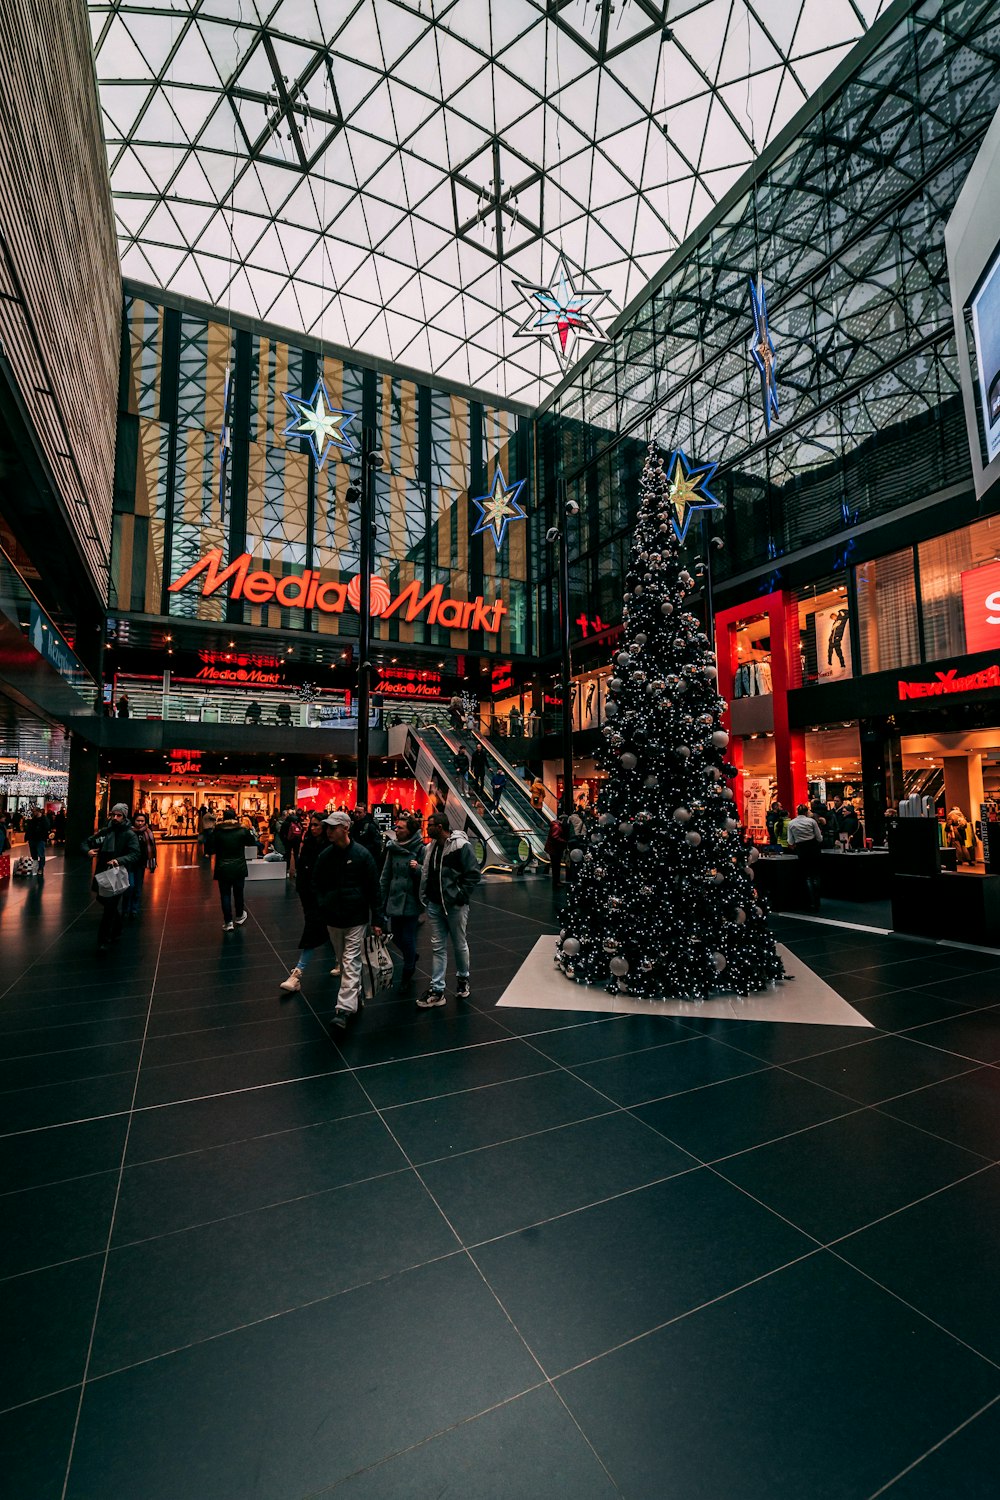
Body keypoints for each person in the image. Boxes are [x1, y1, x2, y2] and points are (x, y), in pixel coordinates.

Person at [312, 811, 385, 1030]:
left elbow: (374, 887)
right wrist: (323, 904)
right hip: (334, 917)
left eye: (333, 828)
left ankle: (343, 1009)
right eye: (328, 828)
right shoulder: (326, 855)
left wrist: (377, 918)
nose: (328, 831)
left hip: (356, 917)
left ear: (345, 828)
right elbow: (316, 883)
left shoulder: (362, 855)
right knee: (343, 961)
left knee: (350, 961)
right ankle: (355, 996)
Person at [417, 810, 481, 1007]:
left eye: (430, 824)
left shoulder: (460, 846)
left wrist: (460, 896)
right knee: (438, 946)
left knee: (459, 943)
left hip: (454, 905)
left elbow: (473, 873)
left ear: (440, 827)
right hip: (435, 904)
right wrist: (426, 896)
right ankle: (437, 988)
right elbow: (429, 872)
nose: (427, 827)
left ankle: (463, 979)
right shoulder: (431, 848)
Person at [279, 811, 330, 994]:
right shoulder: (309, 843)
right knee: (316, 930)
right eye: (312, 824)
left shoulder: (330, 846)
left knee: (332, 934)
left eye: (317, 825)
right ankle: (298, 973)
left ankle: (298, 974)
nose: (312, 828)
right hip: (312, 896)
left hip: (326, 897)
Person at [85, 803, 142, 951]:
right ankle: (117, 929)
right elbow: (87, 842)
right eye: (113, 815)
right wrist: (88, 851)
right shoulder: (106, 832)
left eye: (119, 815)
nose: (115, 818)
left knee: (109, 906)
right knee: (102, 899)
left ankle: (103, 940)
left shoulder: (129, 834)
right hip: (102, 871)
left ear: (124, 816)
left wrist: (119, 860)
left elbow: (135, 854)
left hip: (117, 873)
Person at [380, 813, 426, 990]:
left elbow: (427, 873)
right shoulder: (393, 848)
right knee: (396, 936)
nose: (396, 830)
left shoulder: (421, 849)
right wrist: (381, 900)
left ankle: (408, 970)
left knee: (407, 937)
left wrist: (418, 868)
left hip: (411, 900)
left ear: (410, 831)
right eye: (396, 827)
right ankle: (412, 956)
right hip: (394, 899)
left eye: (400, 828)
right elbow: (386, 875)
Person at [204, 807, 255, 931]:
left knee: (225, 895)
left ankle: (228, 922)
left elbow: (211, 849)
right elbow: (251, 841)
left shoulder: (217, 831)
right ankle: (239, 916)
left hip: (223, 867)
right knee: (238, 893)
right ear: (235, 817)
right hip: (239, 867)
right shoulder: (242, 830)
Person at [787, 802, 824, 911]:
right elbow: (819, 838)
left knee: (807, 876)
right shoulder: (811, 821)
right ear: (806, 811)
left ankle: (809, 901)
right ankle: (817, 900)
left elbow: (790, 841)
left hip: (801, 849)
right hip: (813, 848)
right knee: (815, 875)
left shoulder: (791, 823)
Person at [126, 810, 158, 916]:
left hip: (141, 863)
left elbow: (152, 848)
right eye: (138, 821)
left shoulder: (147, 832)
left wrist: (151, 862)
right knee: (130, 885)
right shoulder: (128, 832)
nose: (140, 823)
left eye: (142, 821)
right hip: (129, 863)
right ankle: (127, 907)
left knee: (138, 887)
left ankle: (134, 908)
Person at [351, 802, 384, 870]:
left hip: (368, 859)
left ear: (365, 813)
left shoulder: (370, 826)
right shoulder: (353, 825)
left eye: (359, 812)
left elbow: (377, 845)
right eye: (355, 812)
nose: (357, 815)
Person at [25, 805, 50, 875]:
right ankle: (35, 868)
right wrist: (27, 837)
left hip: (40, 839)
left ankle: (40, 868)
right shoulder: (33, 820)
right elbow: (29, 829)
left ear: (38, 811)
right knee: (34, 855)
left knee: (41, 854)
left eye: (34, 811)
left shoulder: (44, 819)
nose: (33, 813)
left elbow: (47, 828)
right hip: (32, 839)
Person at [545, 814, 567, 891]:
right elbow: (555, 837)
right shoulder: (557, 826)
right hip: (554, 849)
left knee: (556, 866)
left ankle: (557, 881)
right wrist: (564, 841)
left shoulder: (555, 825)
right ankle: (556, 881)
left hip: (553, 849)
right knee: (556, 866)